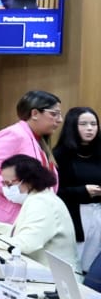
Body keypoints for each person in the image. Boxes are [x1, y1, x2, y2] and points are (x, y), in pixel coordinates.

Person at [0, 155, 78, 273]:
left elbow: (25, 244)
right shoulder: (35, 198)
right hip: (42, 273)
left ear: (29, 180)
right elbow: (19, 232)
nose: (5, 188)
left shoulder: (43, 203)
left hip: (57, 281)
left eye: (9, 184)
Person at [0, 90, 62, 224]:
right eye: (54, 114)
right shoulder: (14, 134)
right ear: (35, 113)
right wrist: (15, 192)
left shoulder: (39, 141)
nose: (60, 120)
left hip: (25, 217)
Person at [55, 107, 101, 272]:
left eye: (93, 124)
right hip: (75, 214)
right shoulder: (60, 155)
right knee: (75, 263)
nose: (90, 128)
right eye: (83, 124)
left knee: (93, 265)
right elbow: (55, 192)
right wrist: (83, 191)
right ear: (72, 126)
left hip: (98, 213)